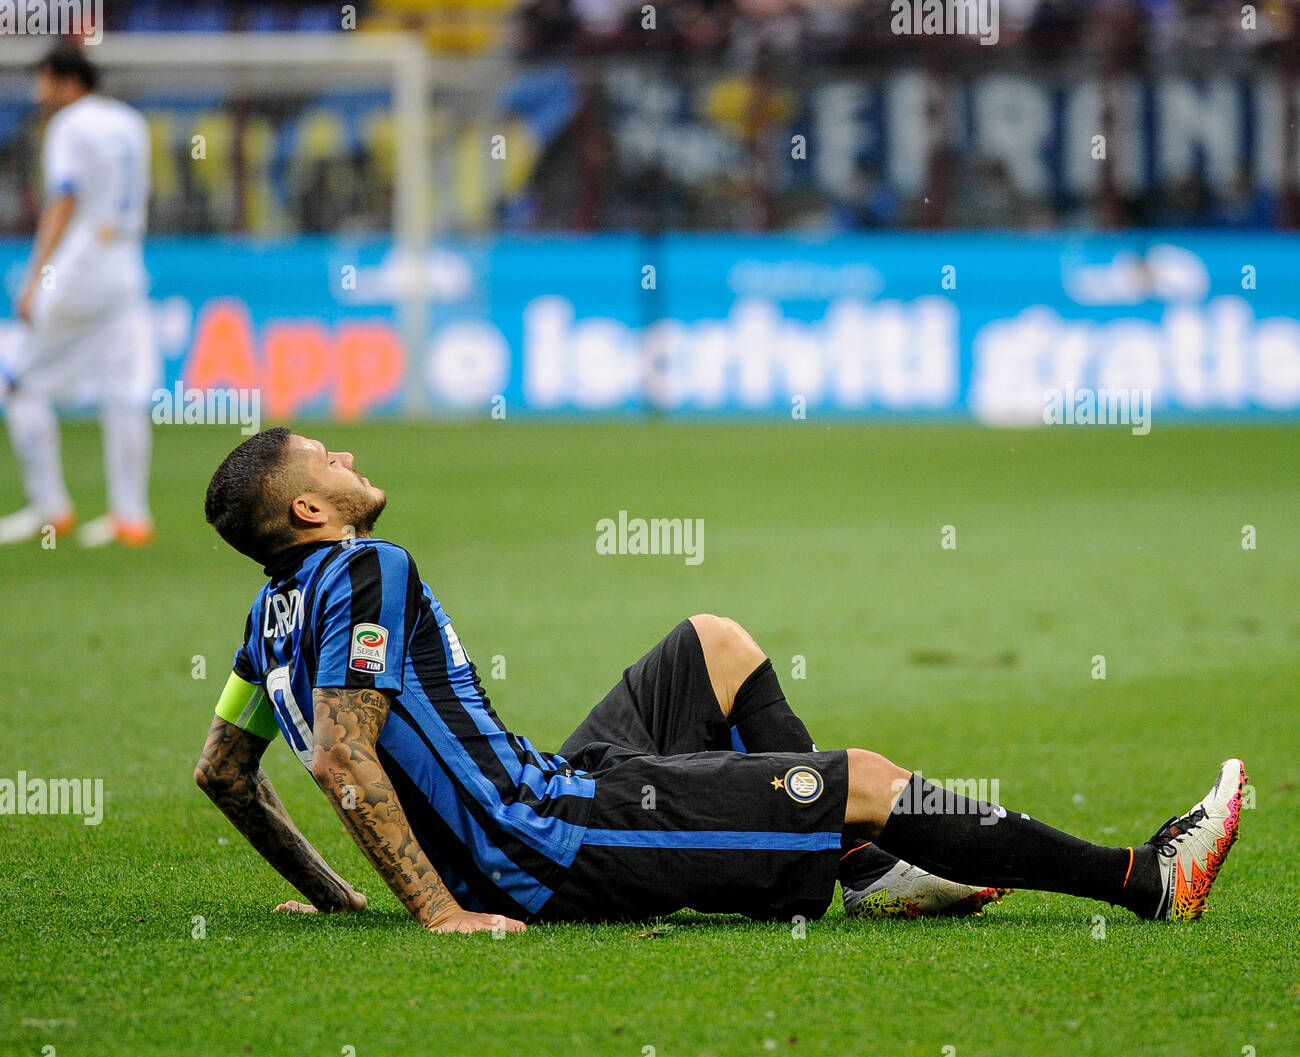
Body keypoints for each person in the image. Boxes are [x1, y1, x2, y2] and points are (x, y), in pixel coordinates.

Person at [194, 428, 1246, 933]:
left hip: (525, 801)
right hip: (546, 839)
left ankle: (871, 870)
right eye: (327, 459)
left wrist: (340, 903)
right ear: (308, 510)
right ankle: (1145, 881)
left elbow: (224, 774)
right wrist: (435, 913)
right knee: (866, 778)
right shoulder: (367, 566)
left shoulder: (261, 621)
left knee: (711, 642)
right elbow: (341, 752)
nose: (347, 459)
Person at [0, 46, 157, 548]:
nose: (37, 93)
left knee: (20, 381)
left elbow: (64, 197)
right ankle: (131, 516)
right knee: (123, 392)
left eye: (43, 81)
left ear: (66, 82)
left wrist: (35, 276)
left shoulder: (69, 125)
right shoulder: (129, 121)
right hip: (125, 263)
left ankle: (51, 507)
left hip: (80, 267)